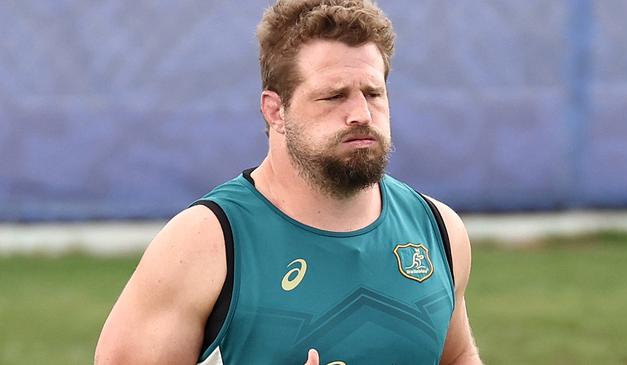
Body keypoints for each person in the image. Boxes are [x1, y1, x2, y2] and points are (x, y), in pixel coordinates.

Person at [95, 0, 483, 364]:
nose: (361, 114)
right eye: (334, 96)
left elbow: (459, 356)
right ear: (275, 110)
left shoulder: (438, 228)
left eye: (373, 93)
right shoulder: (205, 242)